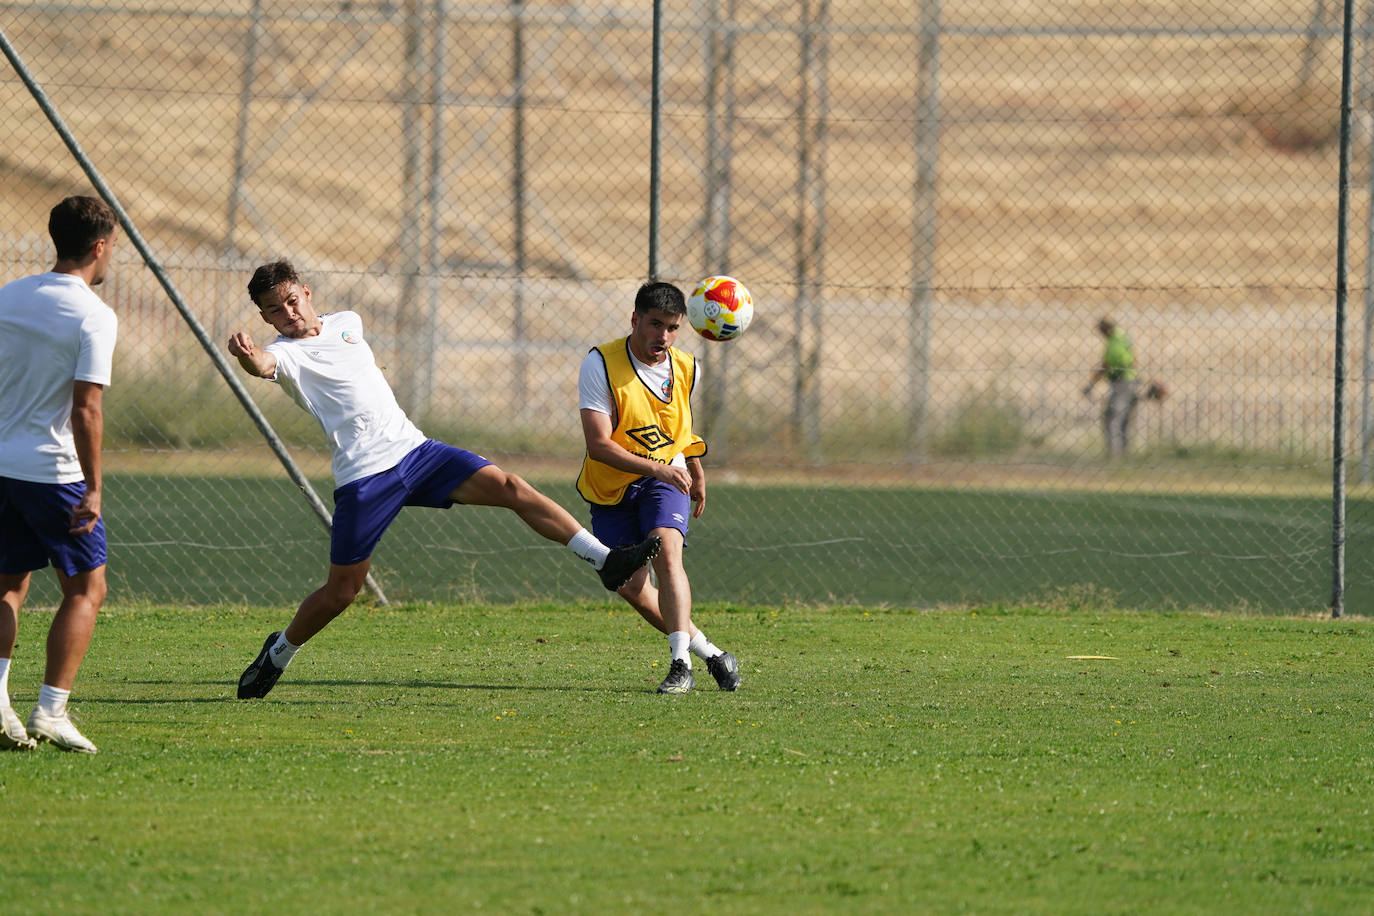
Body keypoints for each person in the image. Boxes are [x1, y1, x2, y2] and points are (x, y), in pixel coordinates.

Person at [229, 260, 660, 699]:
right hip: (365, 478)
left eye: (291, 300)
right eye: (275, 310)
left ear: (306, 291)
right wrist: (250, 358)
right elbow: (264, 365)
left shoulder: (348, 323)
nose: (289, 313)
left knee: (511, 487)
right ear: (266, 319)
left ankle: (606, 560)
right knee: (343, 591)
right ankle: (279, 652)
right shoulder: (284, 354)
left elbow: (361, 370)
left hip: (416, 452)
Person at [577, 281, 741, 694]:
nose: (662, 337)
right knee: (631, 587)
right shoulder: (601, 364)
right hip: (613, 486)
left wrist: (693, 468)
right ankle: (712, 654)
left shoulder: (687, 367)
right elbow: (598, 445)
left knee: (667, 552)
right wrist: (657, 468)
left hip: (665, 479)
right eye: (655, 325)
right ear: (635, 320)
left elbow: (678, 429)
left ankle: (679, 664)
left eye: (672, 328)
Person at [0, 196, 119, 753]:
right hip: (54, 474)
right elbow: (86, 408)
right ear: (100, 247)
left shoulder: (10, 296)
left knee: (7, 584)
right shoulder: (93, 315)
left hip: (1, 467)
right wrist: (93, 487)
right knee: (86, 588)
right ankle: (50, 709)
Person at [1083, 317, 1139, 458]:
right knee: (1124, 417)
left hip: (1122, 382)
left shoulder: (1115, 342)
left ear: (1106, 329)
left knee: (1113, 417)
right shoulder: (1123, 336)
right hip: (1130, 380)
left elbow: (1108, 364)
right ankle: (1123, 452)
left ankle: (1114, 454)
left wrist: (1091, 384)